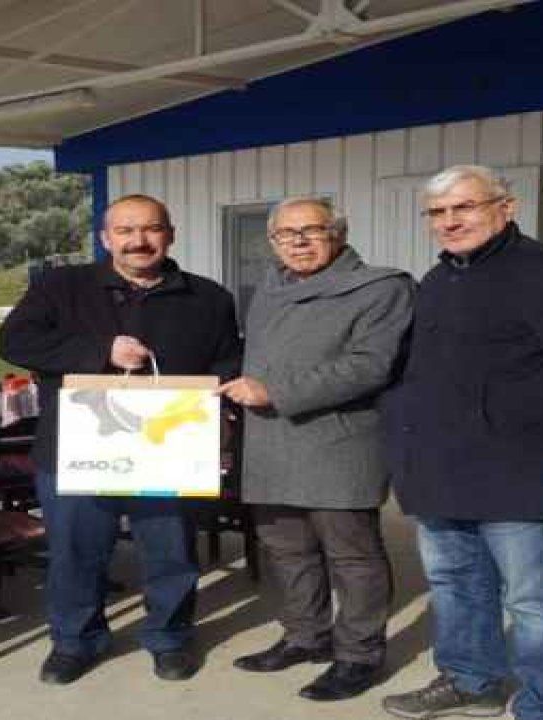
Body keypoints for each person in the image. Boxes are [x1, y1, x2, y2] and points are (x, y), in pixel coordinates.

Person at [380, 165, 543, 720]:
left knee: (536, 600)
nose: (449, 221)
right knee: (455, 583)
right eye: (437, 212)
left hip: (517, 465)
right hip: (439, 464)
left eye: (463, 207)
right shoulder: (439, 279)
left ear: (505, 208)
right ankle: (470, 680)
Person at [0, 193, 241, 685]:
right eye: (125, 231)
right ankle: (76, 641)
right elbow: (13, 342)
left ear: (170, 235)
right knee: (75, 552)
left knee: (171, 552)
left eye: (151, 229)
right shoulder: (61, 286)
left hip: (169, 450)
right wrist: (100, 351)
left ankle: (169, 637)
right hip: (77, 449)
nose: (138, 241)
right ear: (106, 238)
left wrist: (222, 413)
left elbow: (226, 362)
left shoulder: (209, 297)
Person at [218, 196, 413, 701]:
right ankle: (305, 636)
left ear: (339, 234)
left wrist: (274, 392)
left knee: (353, 557)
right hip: (269, 441)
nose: (298, 242)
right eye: (286, 234)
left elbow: (370, 365)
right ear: (272, 241)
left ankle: (359, 655)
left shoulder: (381, 287)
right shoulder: (270, 287)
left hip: (337, 442)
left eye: (312, 230)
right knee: (287, 550)